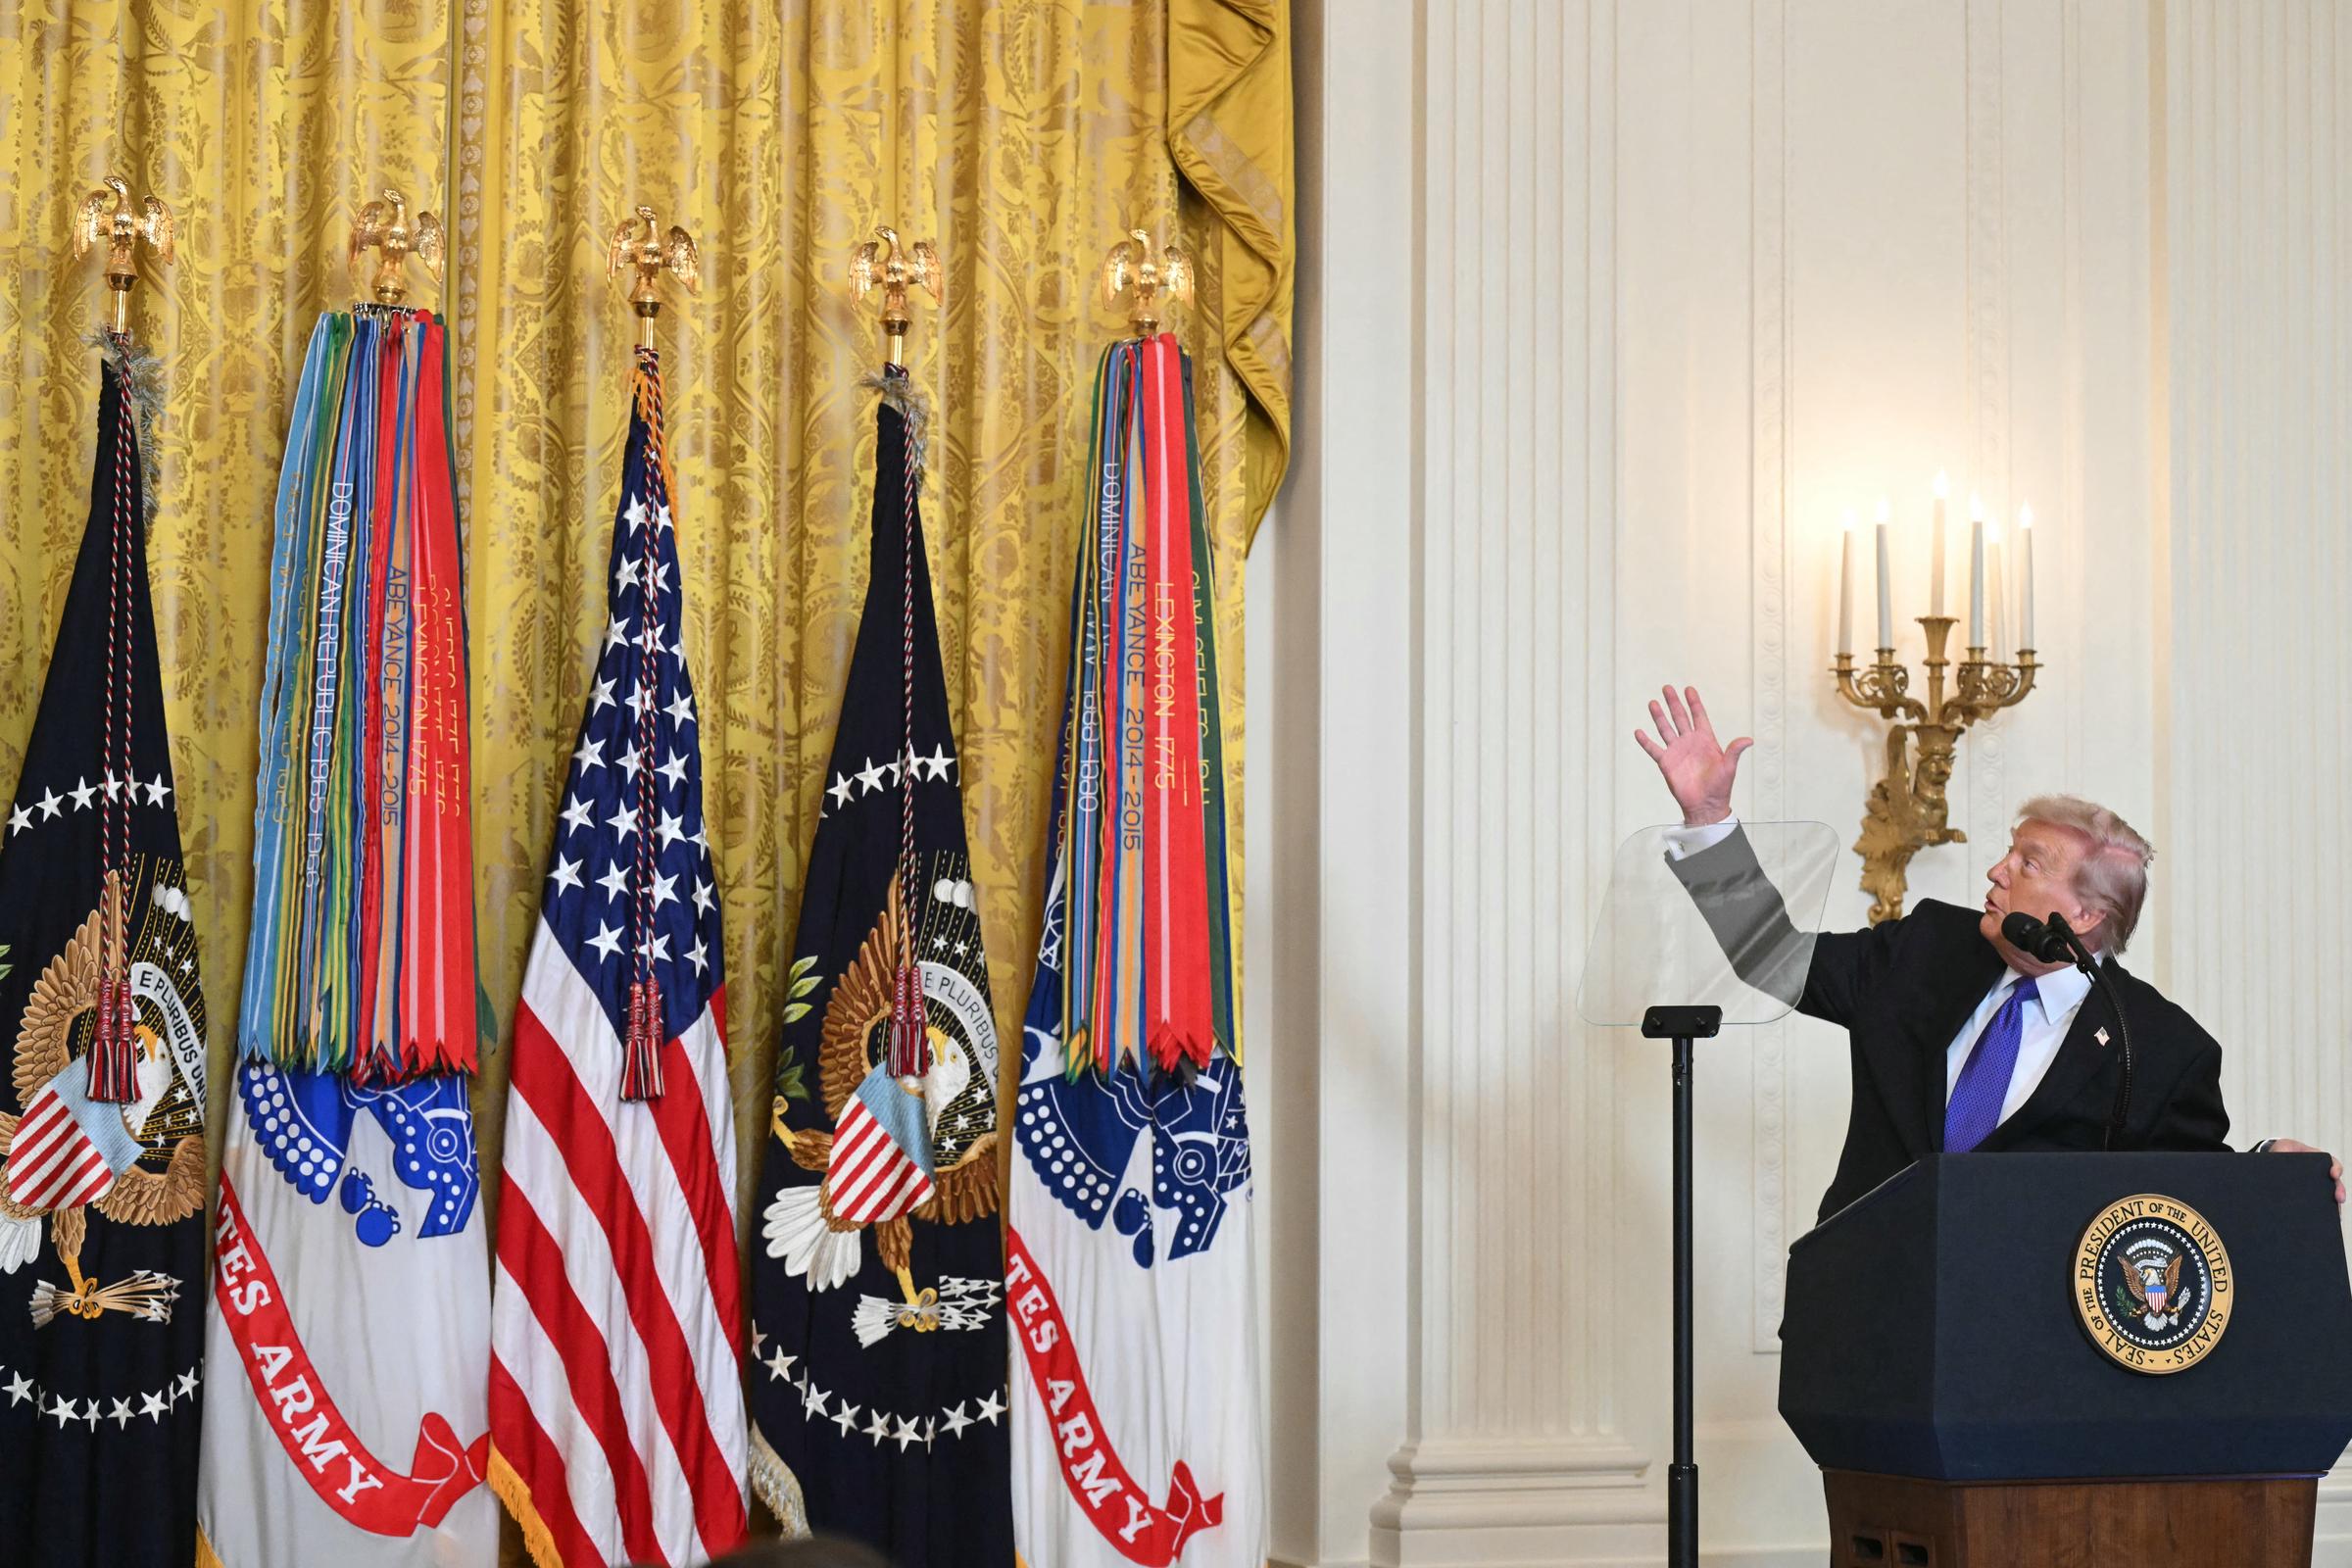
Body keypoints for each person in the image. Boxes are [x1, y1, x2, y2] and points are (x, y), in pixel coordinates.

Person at [1634, 683, 2343, 1224]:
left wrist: (2267, 1169)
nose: (1996, 872)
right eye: (2009, 852)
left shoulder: (2155, 1045)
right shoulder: (1924, 950)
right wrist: (1708, 824)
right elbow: (1774, 959)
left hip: (2028, 1353)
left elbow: (2184, 1192)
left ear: (2088, 913)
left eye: (2029, 863)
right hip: (1867, 1315)